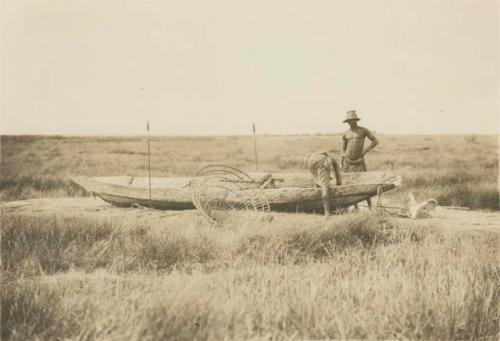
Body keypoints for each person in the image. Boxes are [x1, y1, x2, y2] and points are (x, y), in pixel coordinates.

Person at [341, 110, 379, 210]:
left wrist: (365, 151)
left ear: (356, 120)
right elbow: (343, 148)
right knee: (350, 184)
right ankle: (355, 207)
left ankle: (370, 207)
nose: (351, 122)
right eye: (349, 121)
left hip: (359, 162)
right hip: (348, 162)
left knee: (364, 183)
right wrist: (342, 159)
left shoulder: (363, 130)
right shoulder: (346, 134)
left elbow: (375, 141)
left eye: (352, 120)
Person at [307, 151, 342, 218]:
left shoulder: (329, 156)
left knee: (318, 181)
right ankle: (327, 214)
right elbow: (339, 180)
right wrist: (339, 185)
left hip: (311, 159)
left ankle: (318, 206)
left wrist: (327, 178)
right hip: (321, 161)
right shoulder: (333, 162)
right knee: (325, 187)